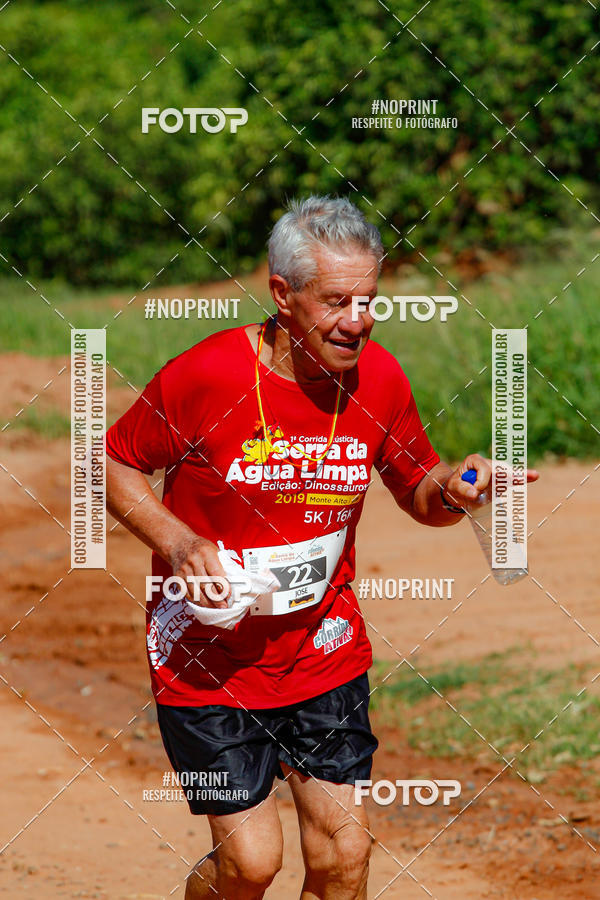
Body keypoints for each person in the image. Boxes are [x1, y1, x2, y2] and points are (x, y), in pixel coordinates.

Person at [105, 195, 538, 900]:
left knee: (344, 856)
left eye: (368, 301)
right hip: (206, 657)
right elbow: (115, 462)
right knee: (250, 864)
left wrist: (460, 485)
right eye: (338, 301)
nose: (359, 320)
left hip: (324, 647)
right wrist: (178, 541)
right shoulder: (206, 376)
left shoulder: (380, 380)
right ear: (283, 294)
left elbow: (419, 492)